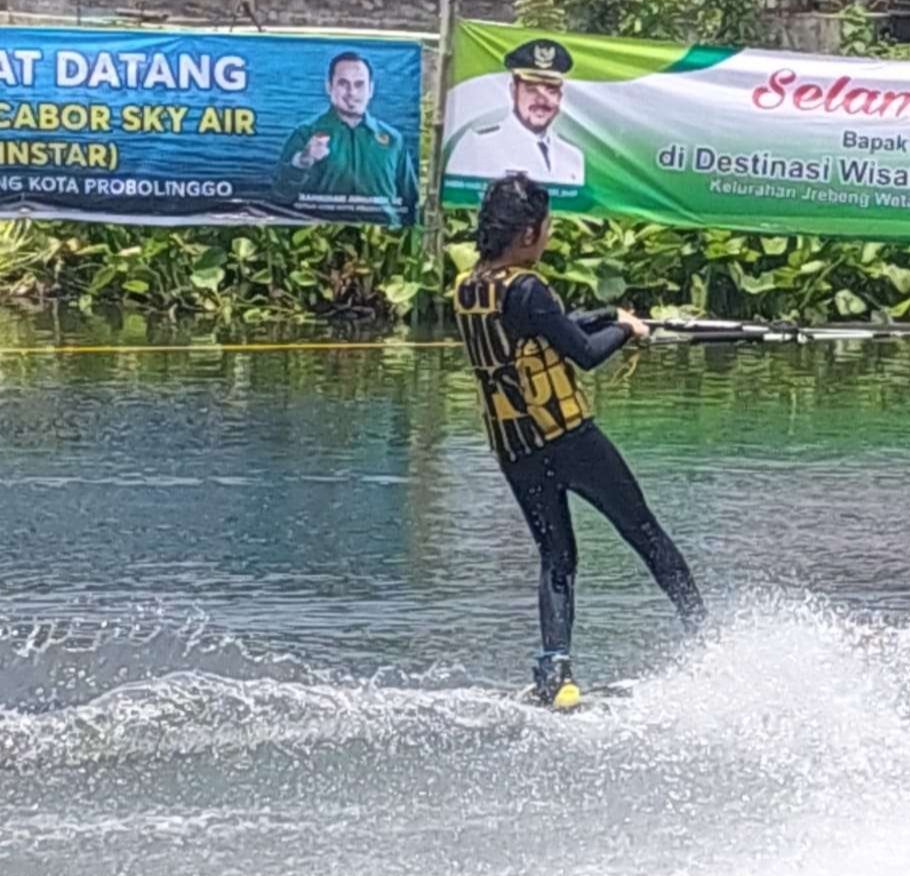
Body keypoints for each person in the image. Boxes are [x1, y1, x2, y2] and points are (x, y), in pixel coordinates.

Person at [451, 173, 705, 709]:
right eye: (545, 229)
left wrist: (610, 315)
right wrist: (628, 331)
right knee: (645, 533)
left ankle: (557, 672)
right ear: (526, 236)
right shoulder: (528, 288)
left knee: (557, 556)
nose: (546, 238)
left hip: (515, 449)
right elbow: (582, 352)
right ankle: (707, 638)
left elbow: (551, 327)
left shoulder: (469, 287)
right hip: (568, 438)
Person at [273, 51, 418, 226]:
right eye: (343, 84)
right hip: (323, 239)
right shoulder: (304, 134)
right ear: (329, 87)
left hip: (384, 242)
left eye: (359, 84)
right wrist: (303, 161)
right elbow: (279, 197)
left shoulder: (393, 140)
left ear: (371, 89)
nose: (352, 92)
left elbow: (411, 202)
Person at [444, 38, 585, 187]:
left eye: (551, 91)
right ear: (513, 91)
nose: (542, 100)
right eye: (531, 89)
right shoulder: (476, 144)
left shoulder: (573, 156)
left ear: (560, 97)